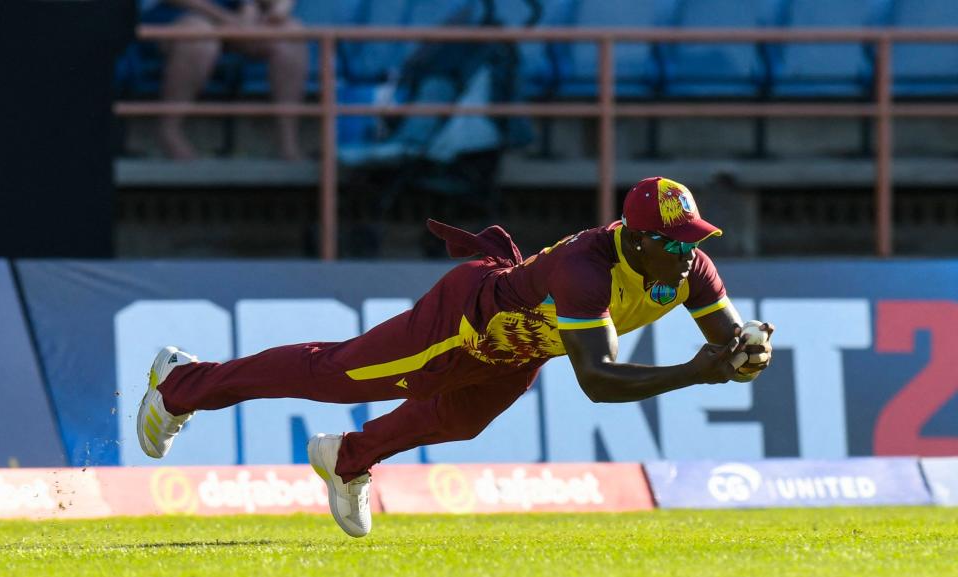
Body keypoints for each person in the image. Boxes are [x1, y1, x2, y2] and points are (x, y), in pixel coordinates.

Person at [136, 176, 775, 537]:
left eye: (692, 239)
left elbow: (724, 341)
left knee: (458, 421)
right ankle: (180, 383)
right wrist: (700, 371)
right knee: (334, 374)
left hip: (523, 347)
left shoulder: (691, 267)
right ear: (635, 238)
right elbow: (600, 382)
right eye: (674, 242)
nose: (687, 253)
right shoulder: (586, 270)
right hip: (466, 323)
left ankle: (345, 458)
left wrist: (745, 351)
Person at [143, 0, 306, 160]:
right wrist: (228, 19)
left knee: (290, 35)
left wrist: (275, 11)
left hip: (236, 21)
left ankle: (288, 142)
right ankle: (169, 130)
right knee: (200, 37)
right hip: (179, 17)